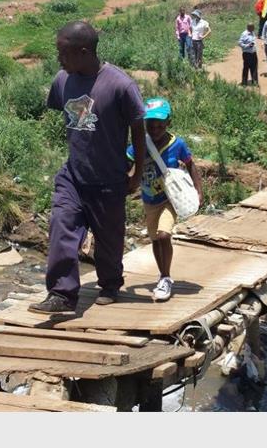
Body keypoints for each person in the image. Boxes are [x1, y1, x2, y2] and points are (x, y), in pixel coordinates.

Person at [29, 21, 146, 313]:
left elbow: (138, 126)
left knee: (109, 239)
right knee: (62, 225)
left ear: (83, 52)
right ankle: (61, 294)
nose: (59, 59)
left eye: (63, 53)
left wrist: (138, 172)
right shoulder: (62, 81)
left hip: (108, 177)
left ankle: (110, 283)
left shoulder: (120, 84)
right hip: (73, 175)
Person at [126, 98, 203, 301]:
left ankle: (166, 277)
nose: (155, 128)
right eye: (151, 124)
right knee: (154, 239)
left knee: (163, 235)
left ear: (168, 122)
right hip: (149, 199)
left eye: (160, 124)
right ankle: (162, 275)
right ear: (145, 124)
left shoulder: (177, 144)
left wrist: (198, 190)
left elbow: (190, 164)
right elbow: (126, 164)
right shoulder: (139, 144)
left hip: (170, 198)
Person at [238, 22, 258, 87]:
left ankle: (254, 82)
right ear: (249, 27)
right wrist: (248, 45)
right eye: (252, 27)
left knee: (254, 68)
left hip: (253, 53)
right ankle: (244, 82)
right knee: (246, 68)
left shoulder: (252, 33)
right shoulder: (244, 34)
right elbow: (240, 43)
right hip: (247, 54)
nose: (254, 28)